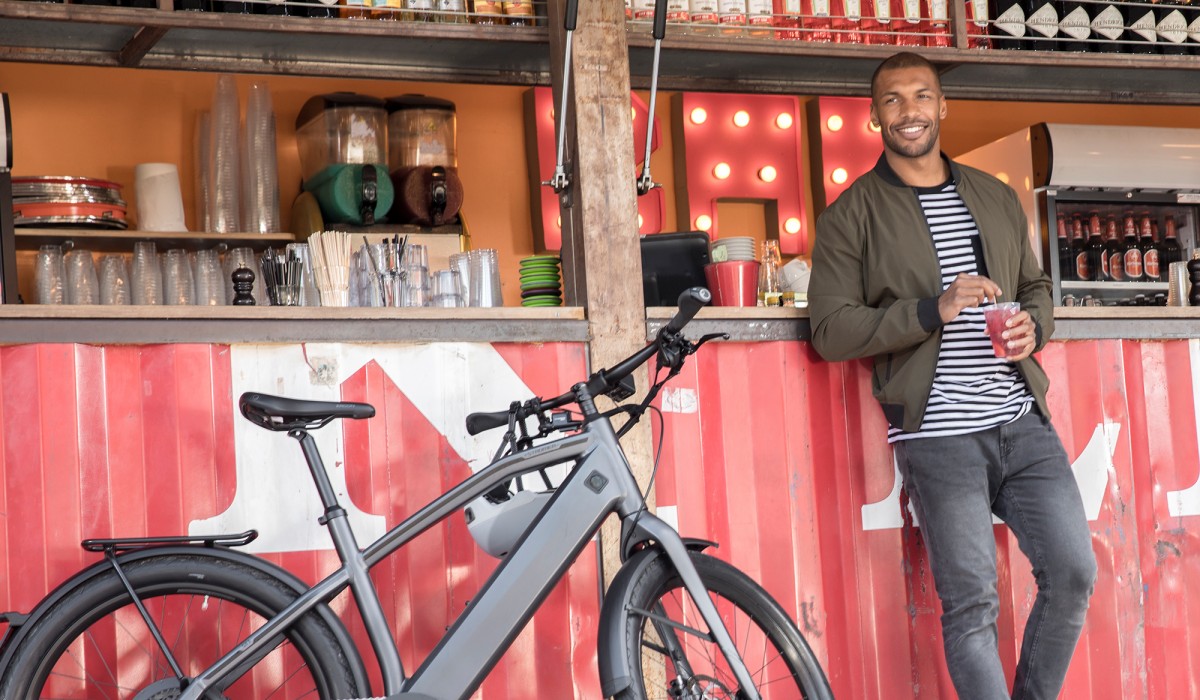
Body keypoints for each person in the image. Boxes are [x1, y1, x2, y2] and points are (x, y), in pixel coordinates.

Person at [807, 52, 1097, 700]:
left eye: (921, 96)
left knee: (1075, 572)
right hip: (938, 436)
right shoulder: (850, 214)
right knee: (972, 607)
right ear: (875, 116)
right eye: (892, 100)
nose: (908, 111)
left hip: (1022, 424)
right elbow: (829, 330)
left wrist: (1035, 327)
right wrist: (929, 310)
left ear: (943, 107)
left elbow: (1035, 287)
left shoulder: (993, 195)